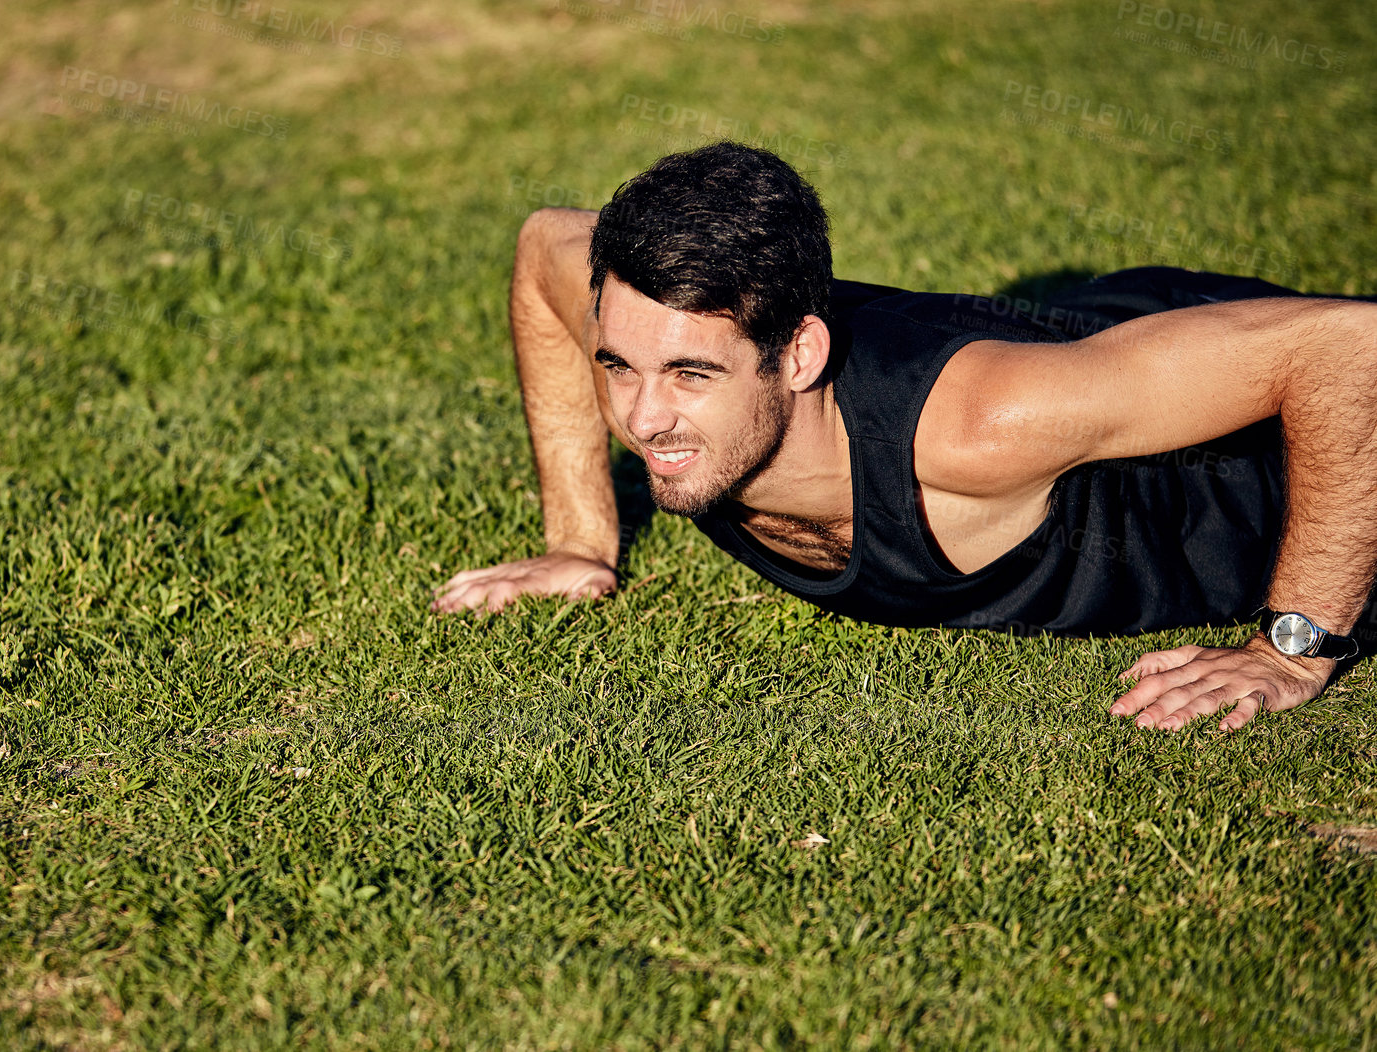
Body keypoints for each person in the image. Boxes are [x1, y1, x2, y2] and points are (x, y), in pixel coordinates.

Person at [432, 143, 1377, 733]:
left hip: (1266, 453)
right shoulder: (637, 315)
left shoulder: (976, 429)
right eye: (619, 366)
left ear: (796, 354)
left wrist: (1290, 651)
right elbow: (544, 241)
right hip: (1092, 351)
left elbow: (1347, 349)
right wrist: (578, 542)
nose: (642, 419)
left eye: (691, 375)